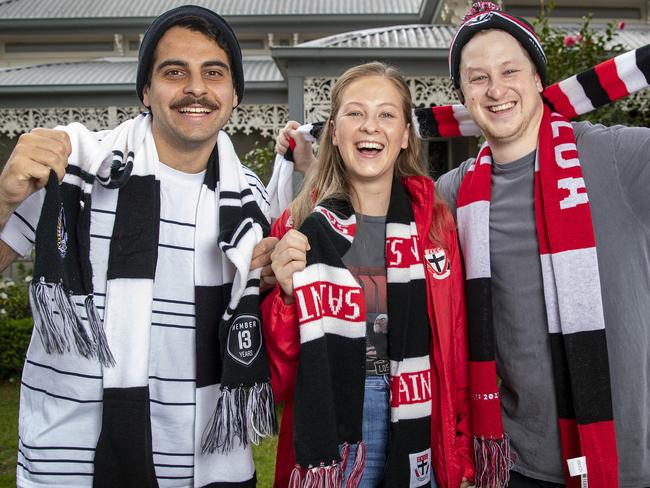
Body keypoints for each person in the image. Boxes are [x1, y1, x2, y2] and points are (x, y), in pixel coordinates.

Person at [0, 5, 280, 488]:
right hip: (70, 464)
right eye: (174, 72)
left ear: (234, 95)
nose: (196, 88)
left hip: (201, 463)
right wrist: (3, 198)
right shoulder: (75, 171)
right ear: (146, 91)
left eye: (213, 73)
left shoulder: (251, 202)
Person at [263, 62, 473, 488]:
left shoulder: (435, 224)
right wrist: (285, 298)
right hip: (333, 411)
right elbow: (276, 380)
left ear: (404, 136)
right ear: (334, 133)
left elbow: (453, 342)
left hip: (417, 408)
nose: (370, 127)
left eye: (386, 114)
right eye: (355, 113)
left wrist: (459, 443)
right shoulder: (299, 224)